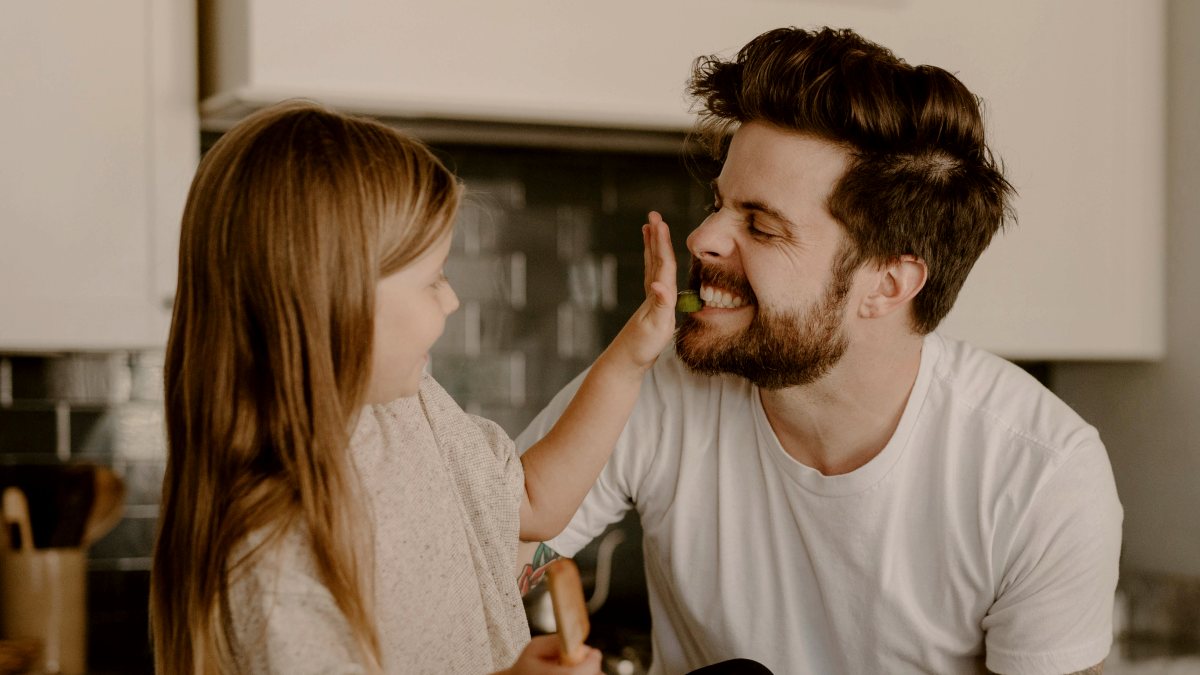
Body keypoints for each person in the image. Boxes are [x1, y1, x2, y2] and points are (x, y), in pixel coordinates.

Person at [516, 27, 1122, 675]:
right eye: (718, 205)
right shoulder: (652, 389)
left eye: (762, 225)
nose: (702, 237)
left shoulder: (1041, 478)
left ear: (888, 284)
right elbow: (476, 565)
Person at [149, 100, 680, 674]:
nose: (451, 300)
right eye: (434, 280)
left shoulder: (407, 410)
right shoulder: (273, 551)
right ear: (337, 300)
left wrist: (634, 354)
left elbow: (531, 504)